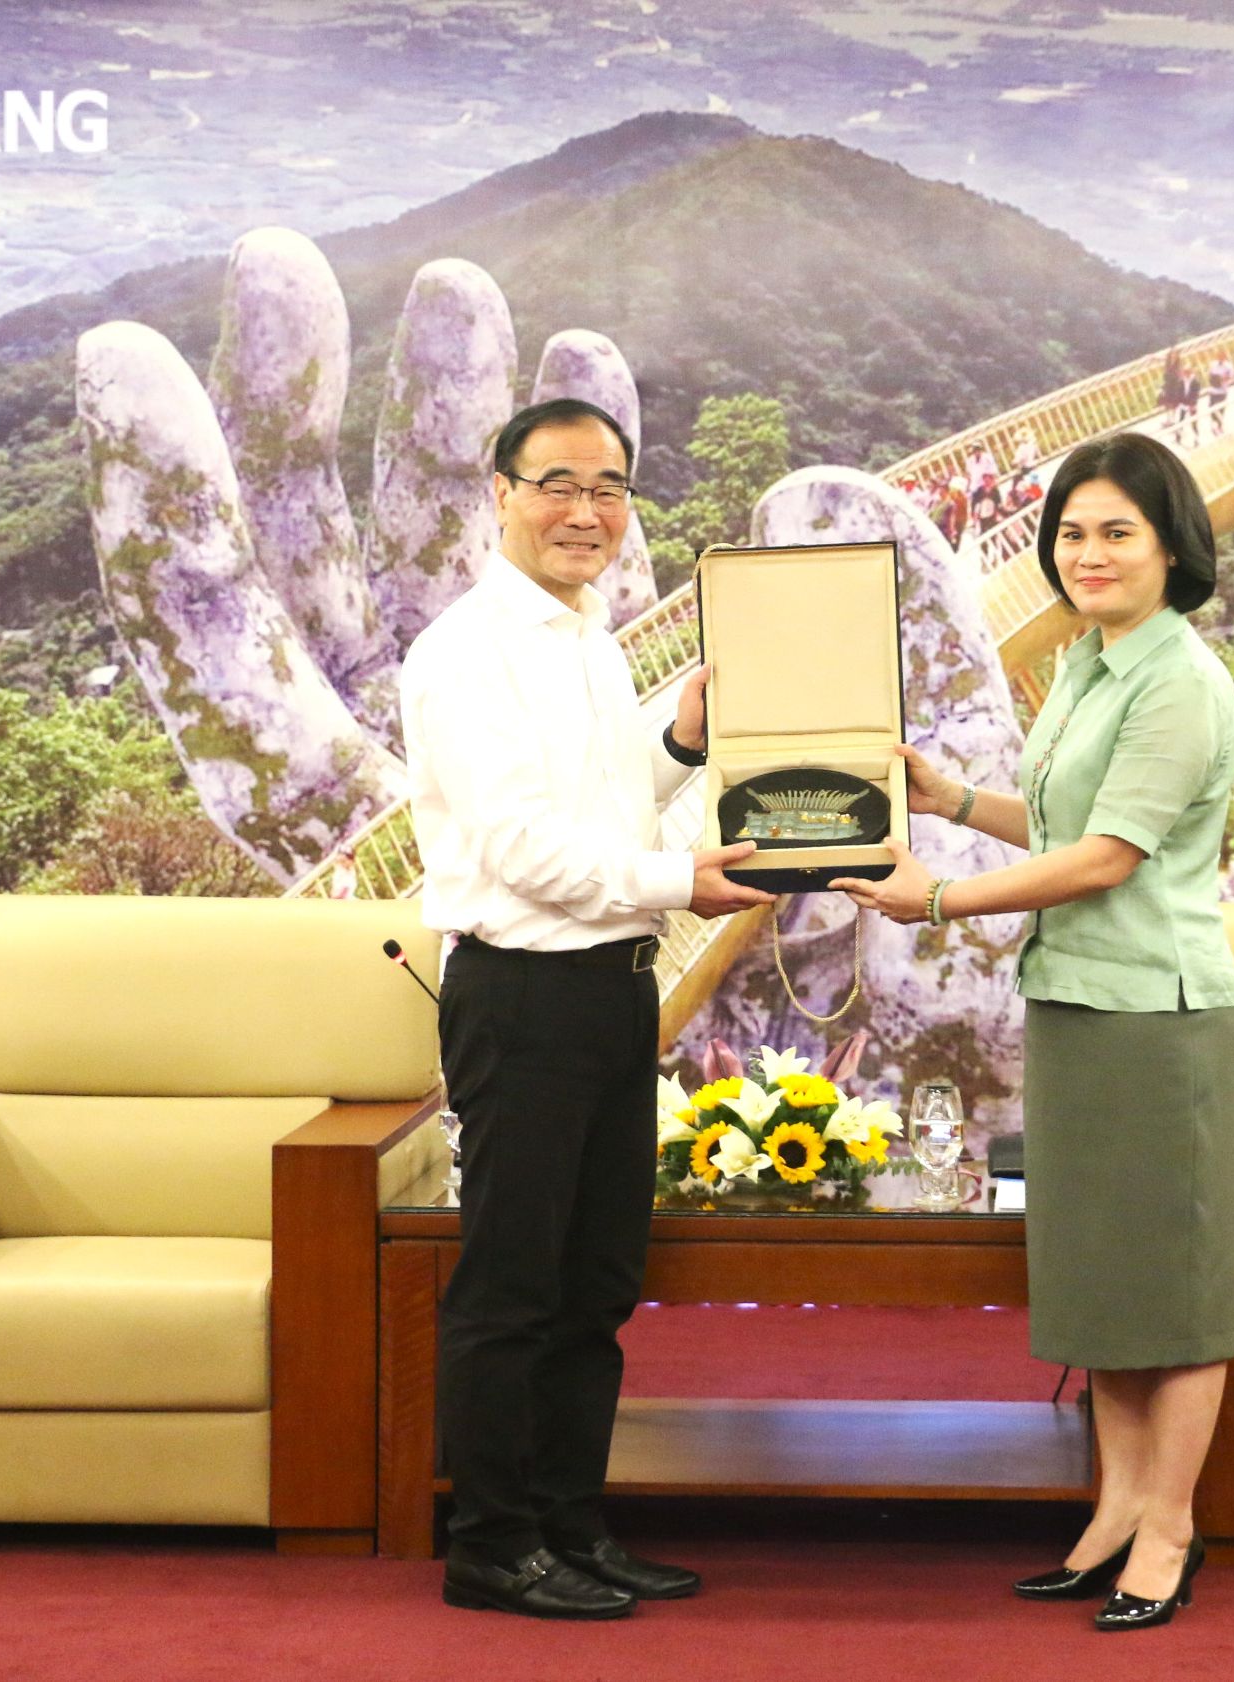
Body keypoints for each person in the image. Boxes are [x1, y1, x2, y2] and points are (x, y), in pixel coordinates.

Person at [834, 431, 1234, 1634]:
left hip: (1155, 1015)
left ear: (1171, 545)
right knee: (1105, 1282)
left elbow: (1111, 857)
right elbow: (1066, 816)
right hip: (1073, 1001)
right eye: (1070, 531)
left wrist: (939, 897)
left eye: (1117, 530)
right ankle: (1115, 1509)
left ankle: (1169, 1525)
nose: (1089, 551)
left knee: (1169, 1288)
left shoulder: (1179, 678)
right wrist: (947, 795)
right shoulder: (1086, 661)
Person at [400, 396, 776, 1620]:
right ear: (499, 490)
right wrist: (689, 881)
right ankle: (491, 1543)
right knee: (511, 1282)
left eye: (608, 487)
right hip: (522, 996)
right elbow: (519, 850)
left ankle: (571, 1523)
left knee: (595, 1280)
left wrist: (675, 736)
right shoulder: (463, 651)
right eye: (557, 483)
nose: (585, 510)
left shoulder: (589, 637)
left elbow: (610, 802)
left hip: (613, 994)